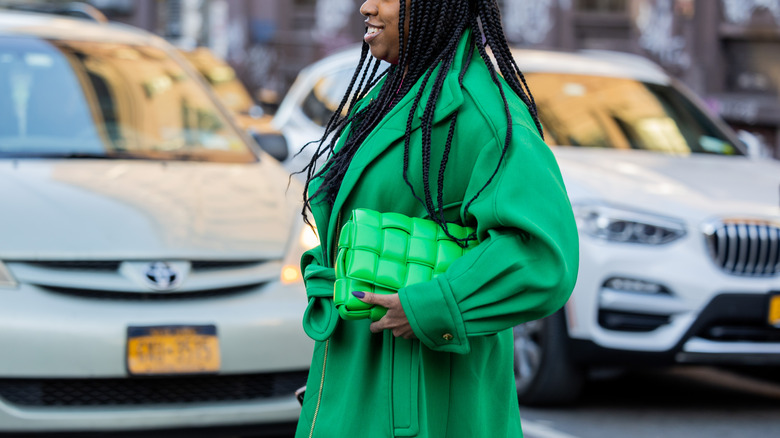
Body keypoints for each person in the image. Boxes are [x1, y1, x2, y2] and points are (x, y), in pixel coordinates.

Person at [295, 0, 579, 436]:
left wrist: (437, 305)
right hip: (357, 373)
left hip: (424, 397)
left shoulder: (482, 112)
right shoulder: (395, 92)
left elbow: (543, 255)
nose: (366, 6)